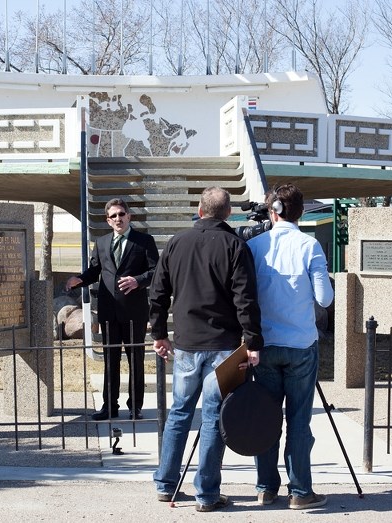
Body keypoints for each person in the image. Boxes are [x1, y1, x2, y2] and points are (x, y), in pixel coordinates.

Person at [150, 186, 263, 513]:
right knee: (214, 417)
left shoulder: (176, 243)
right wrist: (253, 341)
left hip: (186, 342)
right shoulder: (235, 246)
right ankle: (206, 494)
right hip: (224, 346)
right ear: (228, 213)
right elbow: (246, 299)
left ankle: (165, 483)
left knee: (179, 413)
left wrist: (159, 333)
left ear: (200, 211)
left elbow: (157, 294)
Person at [245, 183, 334, 510]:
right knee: (299, 420)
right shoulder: (310, 246)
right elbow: (325, 297)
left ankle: (266, 487)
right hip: (300, 344)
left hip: (264, 345)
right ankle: (300, 490)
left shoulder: (255, 246)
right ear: (300, 211)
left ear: (272, 211)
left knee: (266, 417)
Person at [65, 198, 159, 420]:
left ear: (129, 216)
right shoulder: (102, 242)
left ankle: (135, 406)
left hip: (134, 312)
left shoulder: (144, 241)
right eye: (114, 216)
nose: (118, 218)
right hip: (108, 312)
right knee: (110, 359)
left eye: (121, 214)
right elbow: (94, 270)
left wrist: (138, 280)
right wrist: (79, 279)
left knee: (135, 359)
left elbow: (157, 272)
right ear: (108, 220)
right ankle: (110, 406)